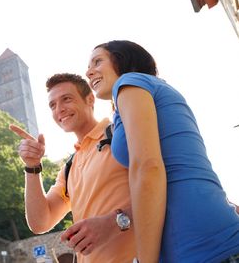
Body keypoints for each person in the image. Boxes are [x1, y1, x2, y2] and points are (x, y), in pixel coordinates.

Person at [85, 40, 239, 262]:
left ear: (122, 58)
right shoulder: (152, 91)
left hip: (200, 244)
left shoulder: (129, 83)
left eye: (97, 61)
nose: (89, 72)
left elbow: (147, 167)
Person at [9, 73, 136, 262]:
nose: (59, 109)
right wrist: (32, 167)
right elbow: (40, 223)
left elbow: (168, 189)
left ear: (90, 99)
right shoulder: (69, 167)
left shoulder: (121, 133)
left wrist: (113, 222)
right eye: (52, 105)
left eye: (66, 99)